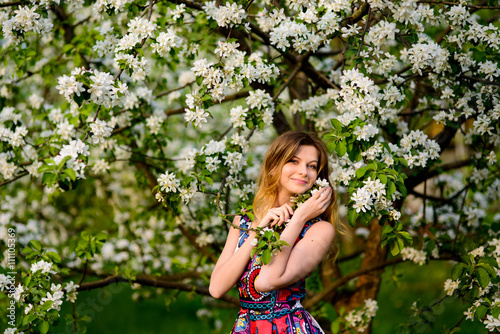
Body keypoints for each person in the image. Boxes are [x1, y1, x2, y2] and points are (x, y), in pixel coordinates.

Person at [209, 131, 340, 333]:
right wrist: (257, 230)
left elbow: (266, 281)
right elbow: (216, 288)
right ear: (272, 167)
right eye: (294, 161)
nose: (304, 172)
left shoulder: (318, 229)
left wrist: (297, 219)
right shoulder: (243, 221)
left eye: (311, 166)